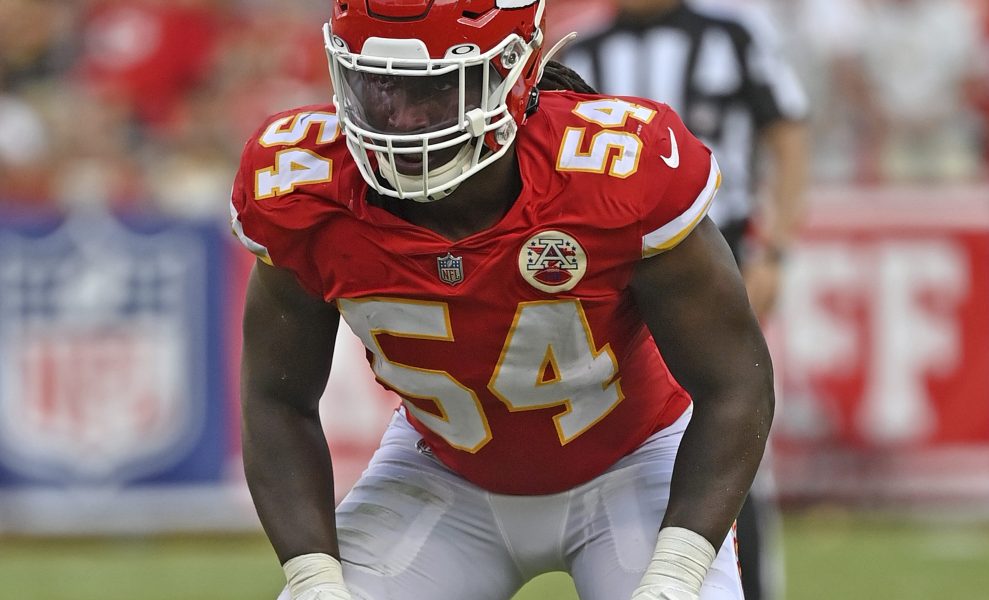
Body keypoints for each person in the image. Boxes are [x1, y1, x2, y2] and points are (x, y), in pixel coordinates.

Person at [231, 1, 774, 599]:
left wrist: (676, 570)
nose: (401, 121)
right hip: (442, 471)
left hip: (635, 463)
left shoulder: (613, 172)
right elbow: (277, 399)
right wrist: (312, 579)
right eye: (379, 87)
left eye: (436, 89)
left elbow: (735, 383)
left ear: (512, 74)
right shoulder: (305, 189)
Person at [561, 2, 809, 599]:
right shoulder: (583, 50)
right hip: (617, 277)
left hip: (720, 256)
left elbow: (787, 129)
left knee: (733, 424)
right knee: (642, 433)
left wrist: (775, 249)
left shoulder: (732, 33)